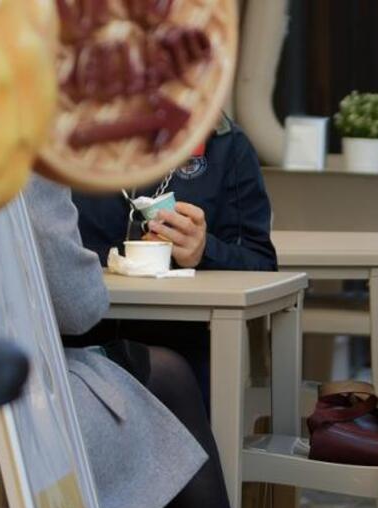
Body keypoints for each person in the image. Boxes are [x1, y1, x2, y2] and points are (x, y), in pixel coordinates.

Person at [24, 175, 356, 508]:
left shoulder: (220, 151)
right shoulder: (20, 154)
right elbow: (78, 306)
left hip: (17, 392)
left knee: (162, 404)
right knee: (162, 415)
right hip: (14, 410)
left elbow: (259, 259)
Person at [68, 114, 277, 390]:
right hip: (74, 348)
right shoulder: (59, 141)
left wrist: (204, 250)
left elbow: (262, 265)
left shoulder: (223, 143)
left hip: (179, 351)